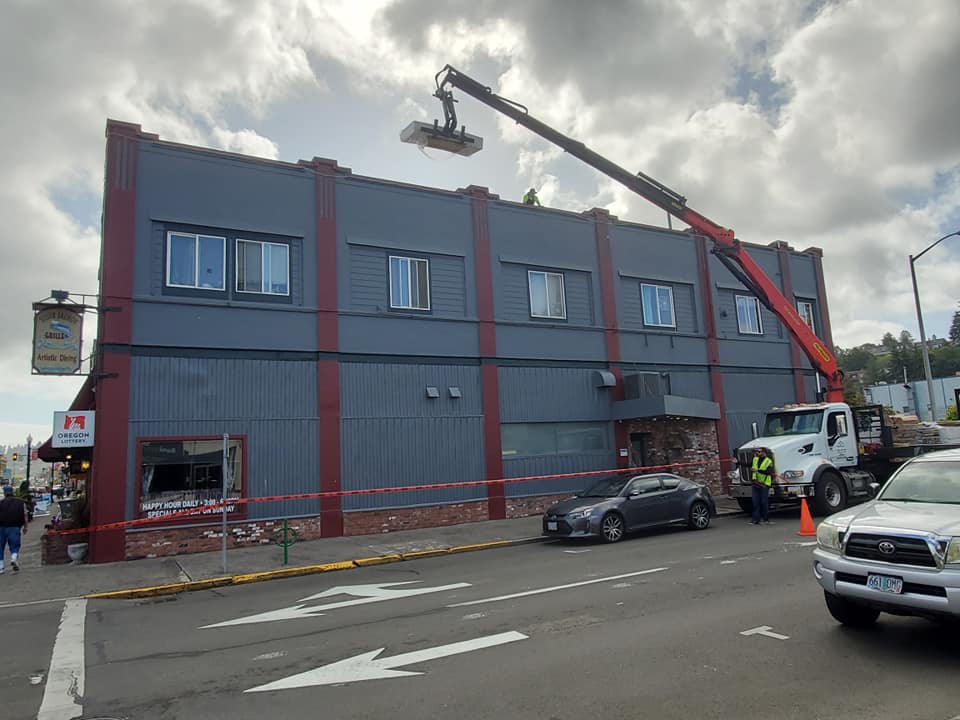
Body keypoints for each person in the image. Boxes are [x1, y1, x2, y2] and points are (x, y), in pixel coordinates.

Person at [0, 485, 29, 574]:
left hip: (1, 527)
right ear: (12, 492)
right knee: (15, 545)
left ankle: (1, 567)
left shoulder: (0, 503)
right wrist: (25, 527)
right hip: (15, 527)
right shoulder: (21, 502)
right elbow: (25, 515)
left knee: (0, 547)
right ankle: (13, 558)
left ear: (4, 493)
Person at [750, 448, 774, 525]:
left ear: (764, 453)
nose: (757, 453)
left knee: (764, 502)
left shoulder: (768, 461)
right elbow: (748, 464)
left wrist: (757, 471)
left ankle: (766, 519)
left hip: (764, 484)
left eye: (759, 452)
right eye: (756, 451)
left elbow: (769, 472)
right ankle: (756, 519)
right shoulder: (755, 459)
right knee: (755, 502)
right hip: (755, 483)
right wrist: (738, 462)